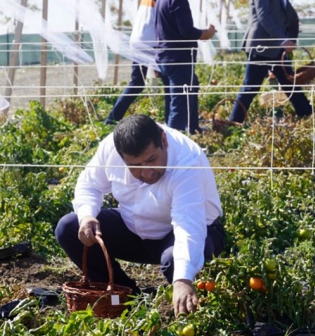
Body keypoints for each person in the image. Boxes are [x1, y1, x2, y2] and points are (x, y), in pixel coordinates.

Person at [55, 115, 224, 315]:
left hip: (191, 233)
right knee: (69, 227)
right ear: (122, 157)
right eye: (135, 166)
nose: (148, 172)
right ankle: (127, 296)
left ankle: (190, 305)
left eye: (151, 159)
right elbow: (89, 184)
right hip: (135, 229)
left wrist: (183, 280)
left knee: (176, 262)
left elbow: (188, 224)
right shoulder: (111, 148)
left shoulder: (187, 161)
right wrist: (87, 216)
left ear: (163, 140)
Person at [229, 0, 312, 123]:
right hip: (262, 46)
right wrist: (282, 40)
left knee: (289, 84)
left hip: (274, 47)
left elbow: (287, 14)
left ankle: (308, 116)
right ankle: (233, 123)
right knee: (250, 87)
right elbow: (263, 15)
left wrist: (290, 37)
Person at [106, 0, 186, 125]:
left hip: (138, 39)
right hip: (152, 41)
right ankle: (171, 123)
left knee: (136, 83)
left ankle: (112, 119)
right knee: (170, 81)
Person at [154, 0, 217, 134]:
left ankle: (192, 127)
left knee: (184, 92)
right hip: (179, 59)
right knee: (179, 103)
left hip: (165, 57)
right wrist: (206, 33)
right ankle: (174, 142)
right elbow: (187, 32)